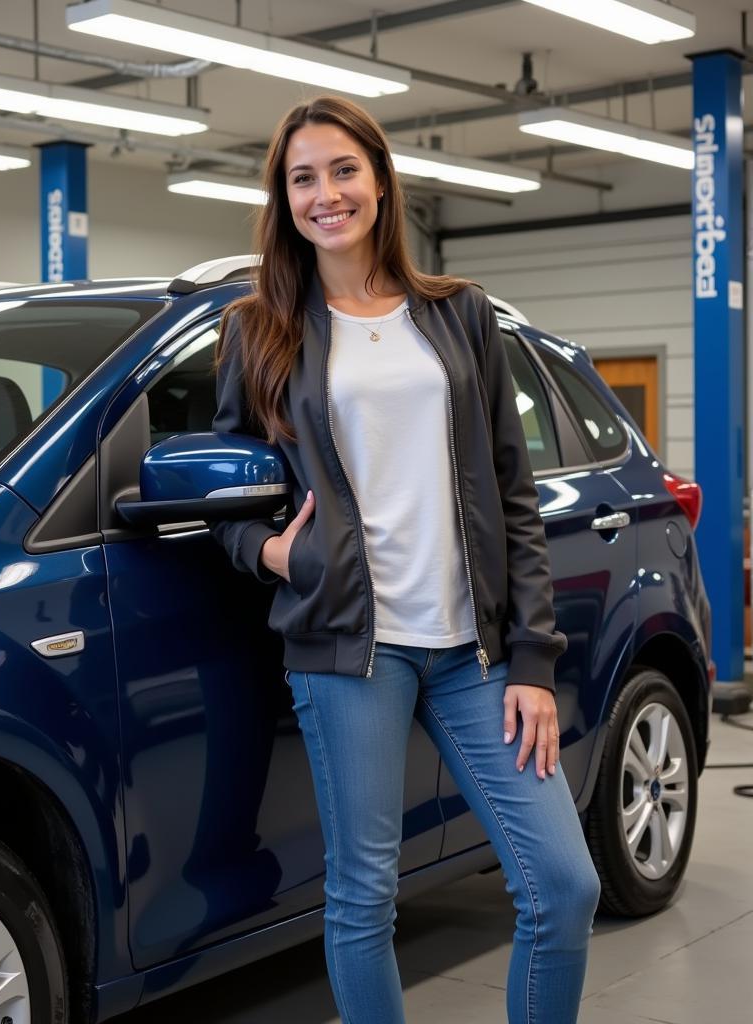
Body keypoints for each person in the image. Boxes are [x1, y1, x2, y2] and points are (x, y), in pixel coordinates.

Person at [209, 95, 602, 1024]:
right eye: (303, 178)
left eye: (343, 170)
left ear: (380, 182)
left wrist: (534, 660)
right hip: (350, 652)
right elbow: (219, 491)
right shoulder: (257, 330)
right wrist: (266, 550)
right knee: (363, 901)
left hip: (477, 652)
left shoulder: (459, 315)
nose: (326, 193)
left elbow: (514, 494)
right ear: (285, 199)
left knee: (565, 886)